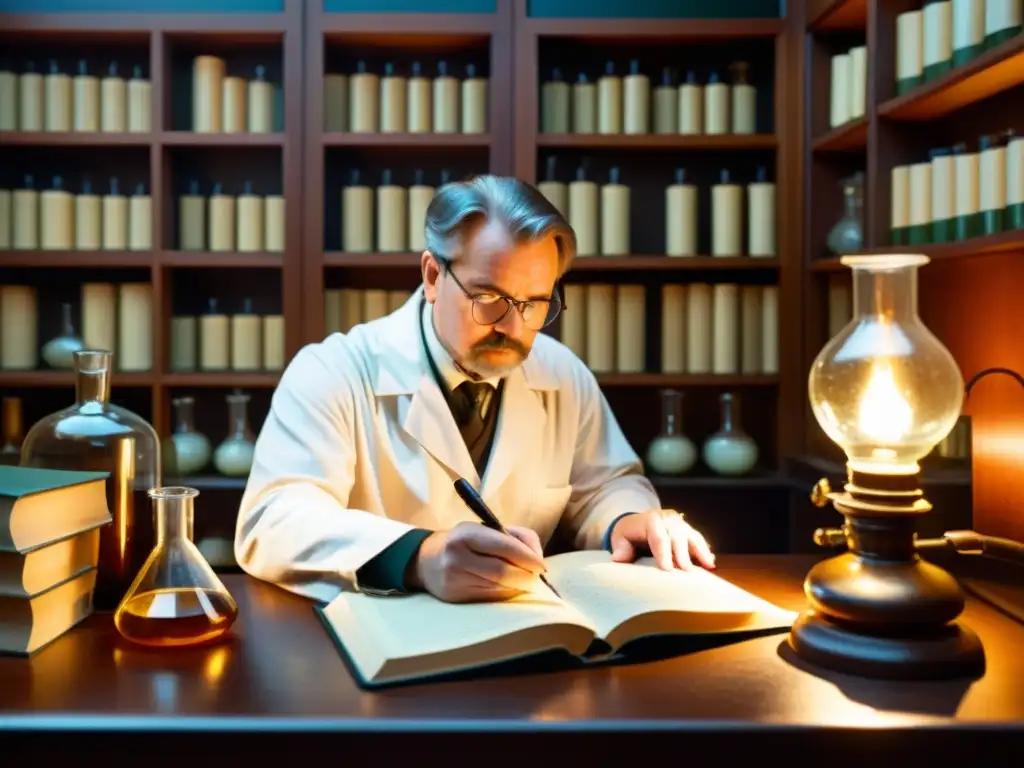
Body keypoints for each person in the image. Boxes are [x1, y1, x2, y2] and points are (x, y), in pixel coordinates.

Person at [234, 175, 715, 605]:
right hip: (380, 656)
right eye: (489, 299)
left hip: (527, 653)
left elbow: (605, 486)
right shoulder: (334, 371)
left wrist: (626, 519)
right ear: (433, 276)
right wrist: (418, 556)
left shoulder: (561, 373)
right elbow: (273, 521)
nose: (513, 325)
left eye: (534, 303)